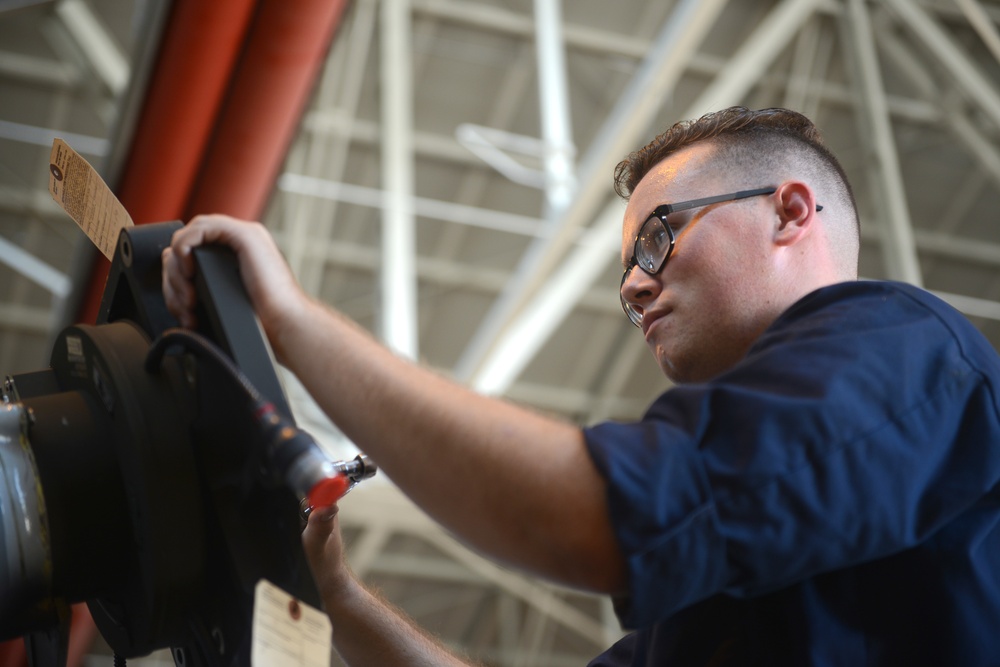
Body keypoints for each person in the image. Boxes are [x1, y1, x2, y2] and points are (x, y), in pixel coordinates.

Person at [163, 107, 1000, 665]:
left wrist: (295, 324)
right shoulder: (732, 575)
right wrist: (337, 595)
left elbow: (598, 517)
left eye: (658, 238)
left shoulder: (903, 345)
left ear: (789, 211)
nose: (633, 288)